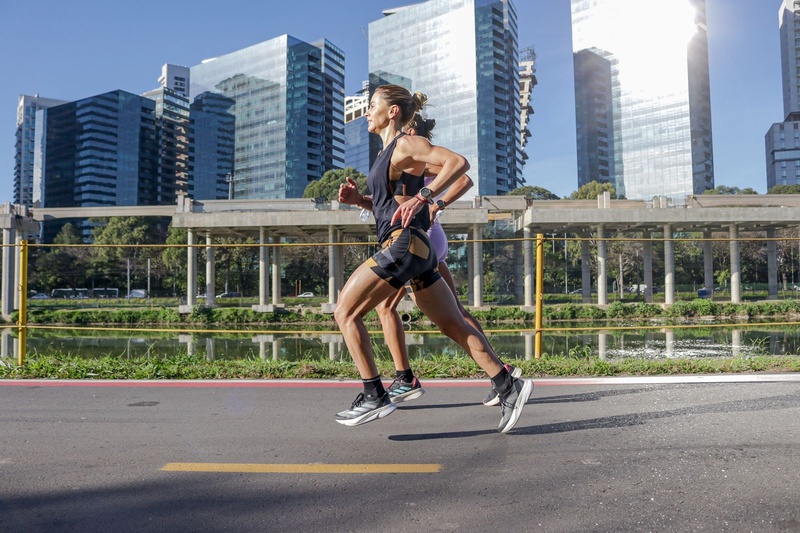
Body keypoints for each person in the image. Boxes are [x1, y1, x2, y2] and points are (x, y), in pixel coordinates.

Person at [333, 84, 533, 432]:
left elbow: (458, 164)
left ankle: (373, 394)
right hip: (418, 248)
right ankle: (508, 385)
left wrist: (426, 197)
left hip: (404, 243)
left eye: (372, 105)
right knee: (453, 323)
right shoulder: (386, 155)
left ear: (392, 111)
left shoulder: (404, 144)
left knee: (345, 312)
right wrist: (359, 202)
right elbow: (388, 205)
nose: (367, 112)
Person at [373, 113, 521, 407]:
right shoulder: (401, 162)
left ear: (410, 129)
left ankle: (405, 378)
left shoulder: (415, 155)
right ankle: (500, 374)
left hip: (421, 235)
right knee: (455, 313)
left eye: (406, 130)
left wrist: (433, 203)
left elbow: (464, 177)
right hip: (427, 237)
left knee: (385, 306)